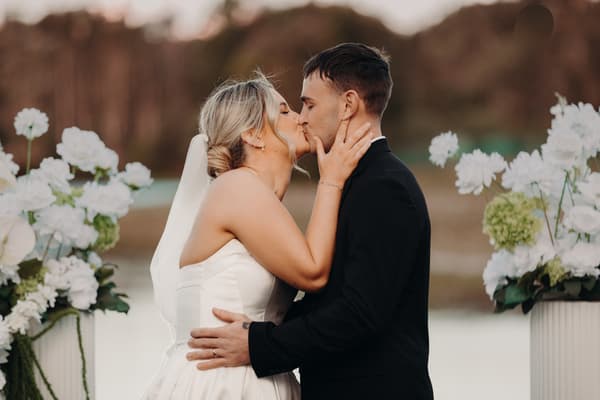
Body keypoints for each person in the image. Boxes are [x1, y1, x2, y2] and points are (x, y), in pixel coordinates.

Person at [186, 43, 435, 400]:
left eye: (308, 104)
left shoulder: (384, 187)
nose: (301, 117)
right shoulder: (356, 182)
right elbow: (331, 301)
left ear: (348, 104)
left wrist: (258, 345)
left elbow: (360, 313)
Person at [142, 72, 372, 399]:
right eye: (285, 111)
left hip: (261, 373)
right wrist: (331, 180)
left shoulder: (256, 198)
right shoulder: (236, 186)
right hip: (220, 382)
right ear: (253, 135)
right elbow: (313, 271)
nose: (301, 118)